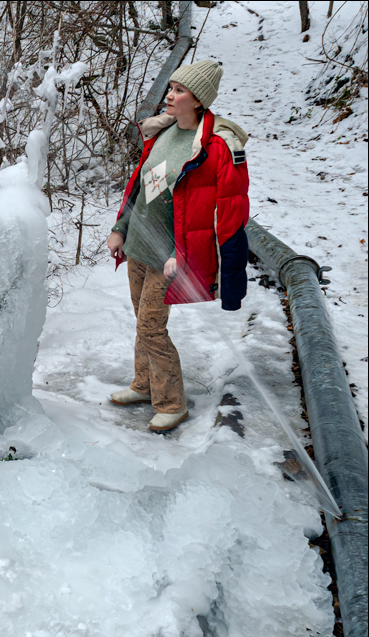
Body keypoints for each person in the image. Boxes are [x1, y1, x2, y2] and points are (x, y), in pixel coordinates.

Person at [106, 60, 251, 432]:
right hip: (138, 247)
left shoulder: (214, 147)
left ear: (198, 100)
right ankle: (144, 385)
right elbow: (140, 187)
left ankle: (173, 403)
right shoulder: (164, 132)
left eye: (178, 91)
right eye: (170, 88)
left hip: (170, 260)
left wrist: (180, 255)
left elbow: (226, 211)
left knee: (153, 327)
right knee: (143, 322)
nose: (169, 96)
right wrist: (120, 228)